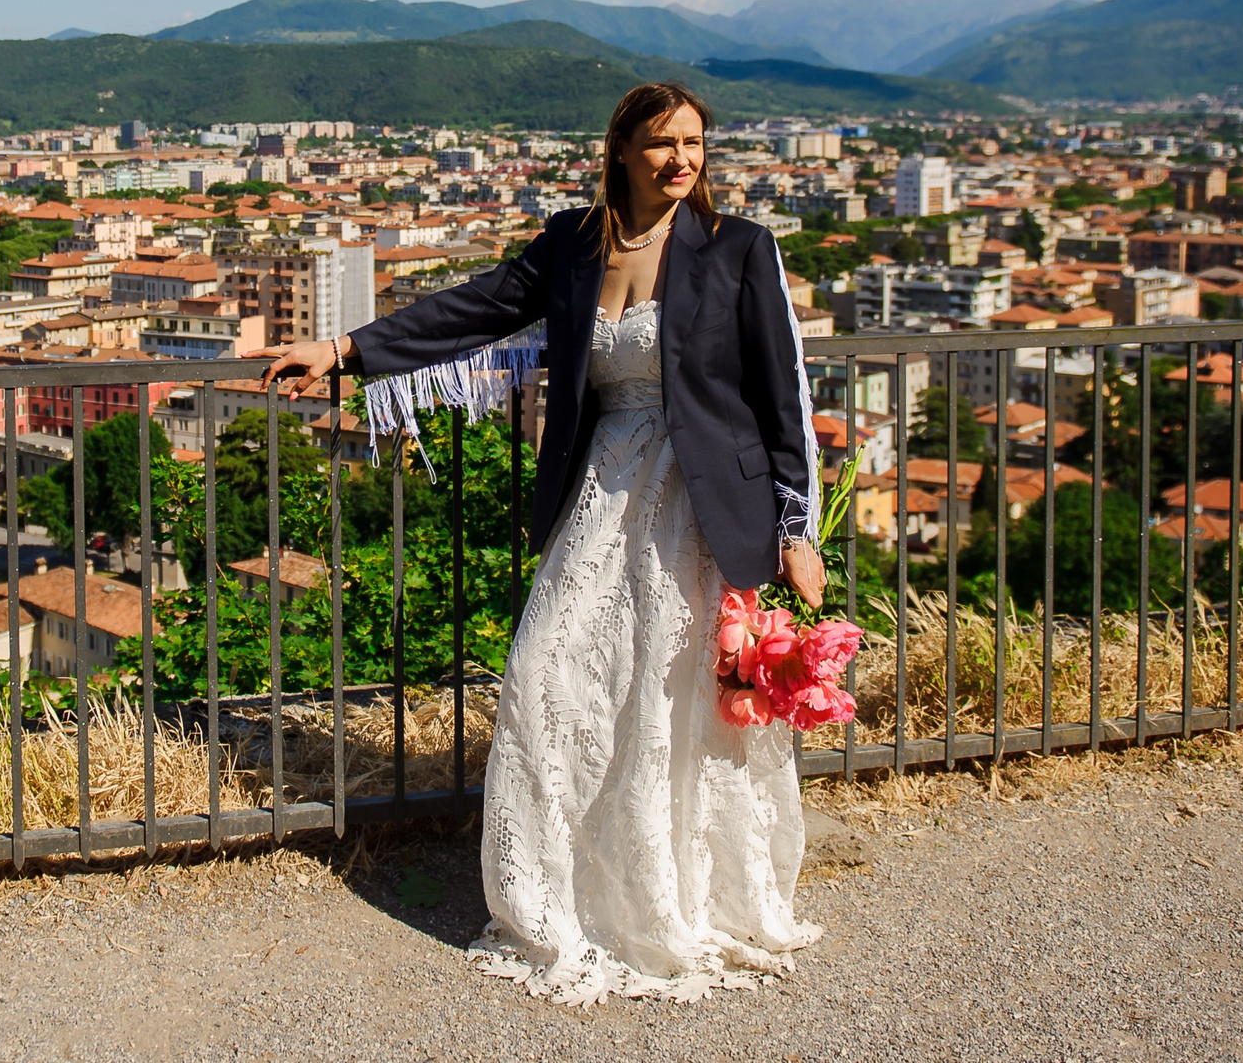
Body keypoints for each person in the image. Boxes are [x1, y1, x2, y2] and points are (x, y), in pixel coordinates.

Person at [263, 81, 824, 1003]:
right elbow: (476, 307)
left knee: (675, 693)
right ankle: (556, 899)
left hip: (703, 503)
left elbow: (783, 396)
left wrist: (796, 528)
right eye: (660, 143)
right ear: (621, 150)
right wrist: (347, 351)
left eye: (693, 142)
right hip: (602, 489)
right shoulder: (573, 243)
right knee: (549, 671)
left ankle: (676, 896)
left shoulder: (739, 251)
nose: (680, 159)